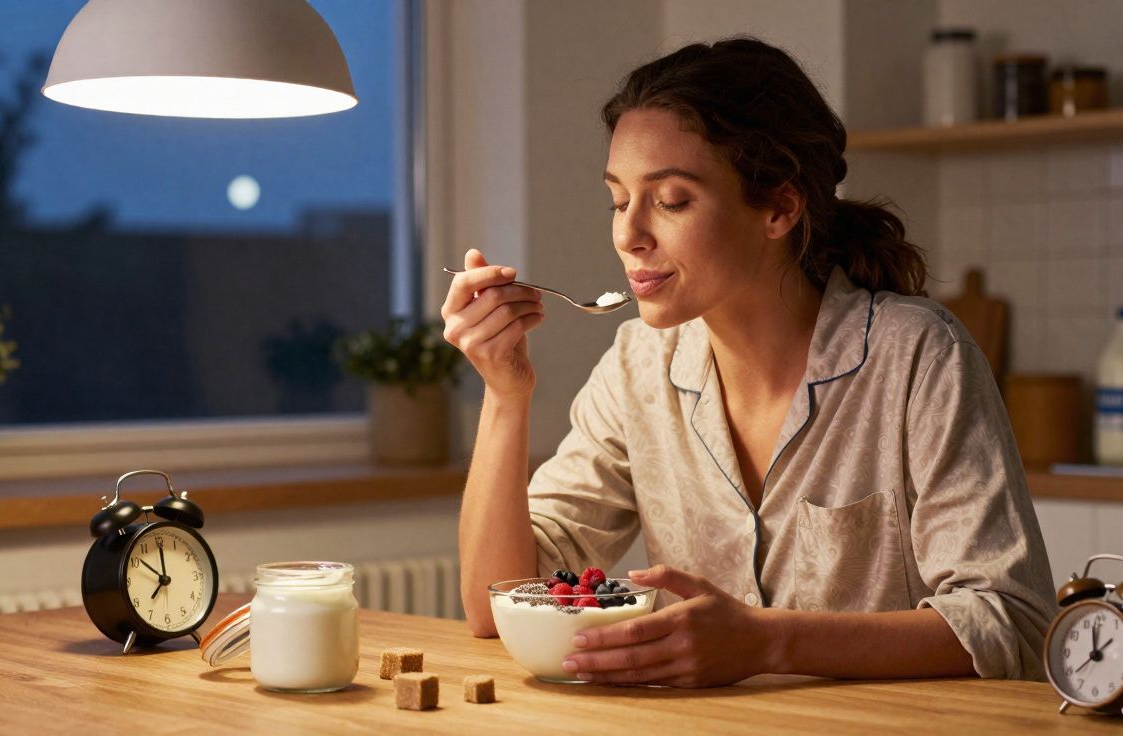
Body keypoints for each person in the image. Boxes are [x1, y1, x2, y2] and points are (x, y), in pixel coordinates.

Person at [441, 37, 1055, 688]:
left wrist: (768, 643)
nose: (628, 234)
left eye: (671, 200)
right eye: (619, 200)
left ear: (780, 208)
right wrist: (506, 395)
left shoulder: (918, 358)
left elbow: (1007, 622)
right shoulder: (638, 367)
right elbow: (495, 601)